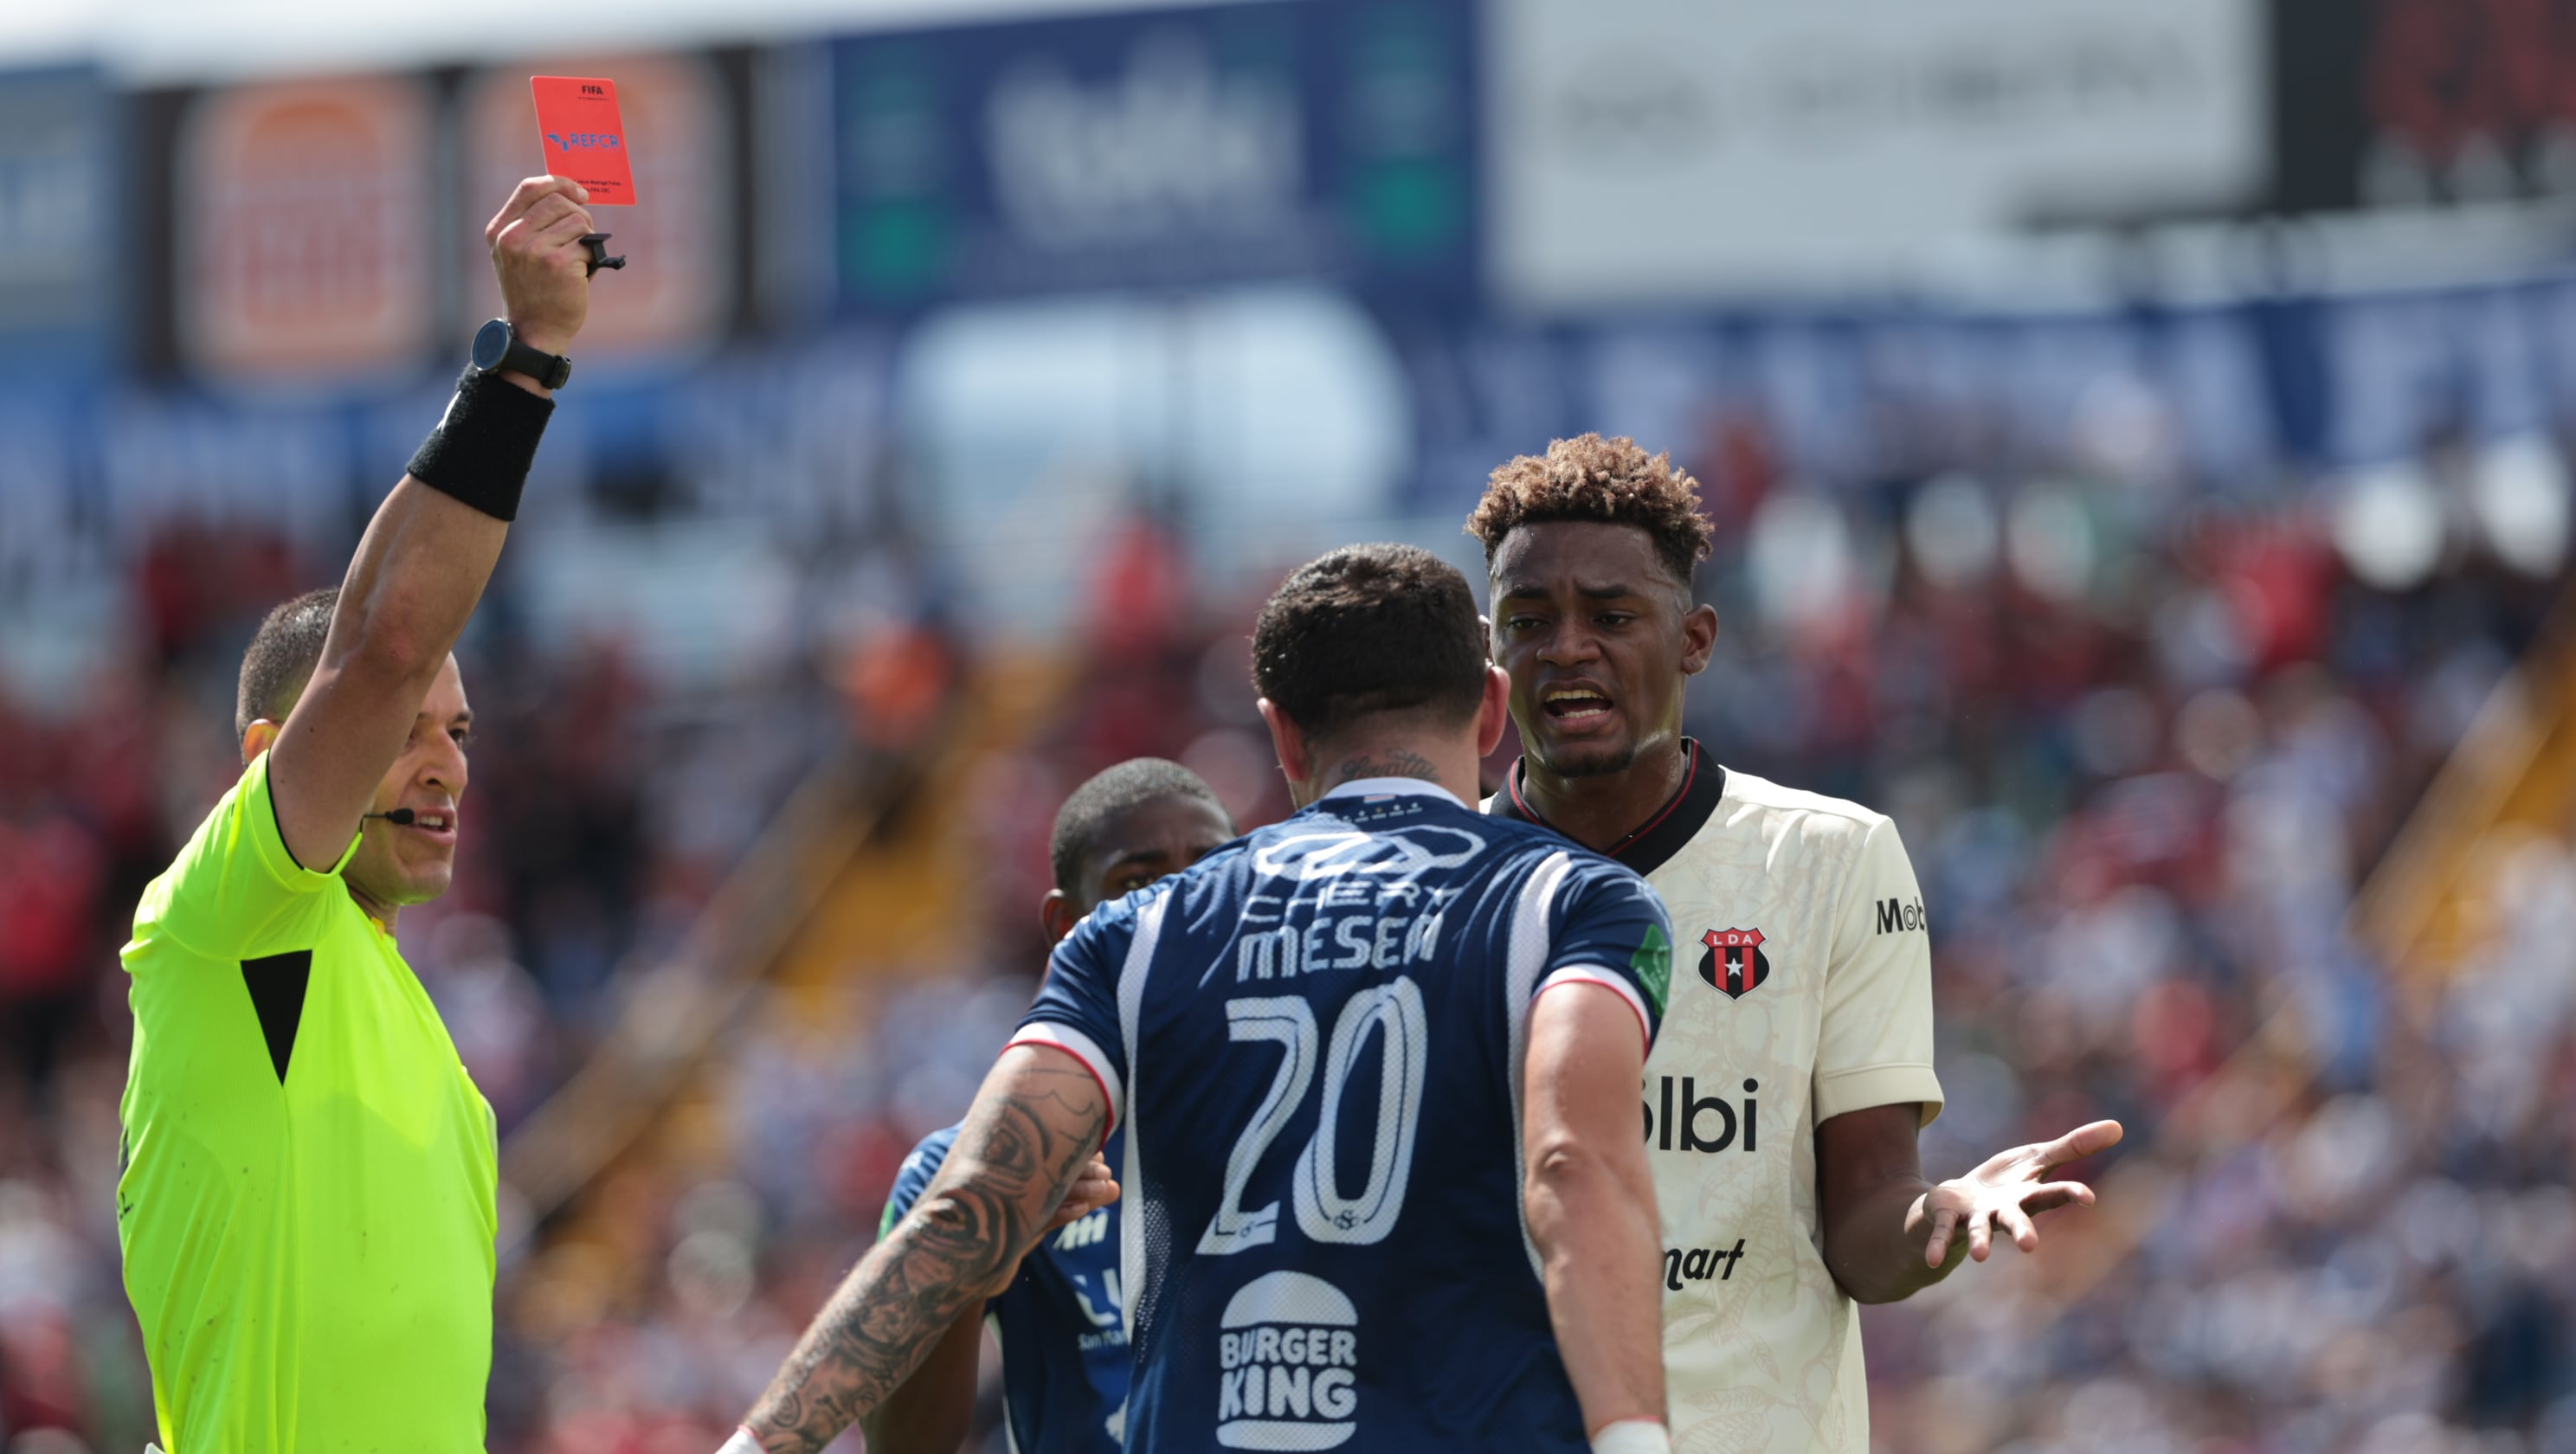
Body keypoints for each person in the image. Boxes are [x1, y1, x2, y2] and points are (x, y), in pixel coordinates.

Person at [722, 544, 1678, 1454]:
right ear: (1491, 711)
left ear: (1283, 734)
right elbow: (1571, 1165)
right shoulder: (1579, 903)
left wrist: (756, 1442)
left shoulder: (1129, 935)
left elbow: (968, 1202)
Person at [1465, 434, 2126, 1454]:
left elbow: (1864, 1226)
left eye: (1611, 615)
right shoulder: (1439, 883)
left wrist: (1938, 1219)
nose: (1567, 647)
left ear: (1696, 639)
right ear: (1491, 653)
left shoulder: (1832, 860)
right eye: (1530, 620)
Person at [113, 176, 603, 1453]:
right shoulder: (236, 926)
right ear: (268, 758)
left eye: (461, 737)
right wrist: (527, 366)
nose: (444, 767)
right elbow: (383, 642)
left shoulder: (446, 1074)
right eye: (406, 735)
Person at [866, 758, 1238, 1454]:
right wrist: (978, 1262)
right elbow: (898, 1447)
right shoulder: (962, 1170)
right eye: (1137, 883)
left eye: (1210, 875)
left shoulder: (1321, 1113)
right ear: (1067, 924)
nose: (1181, 910)